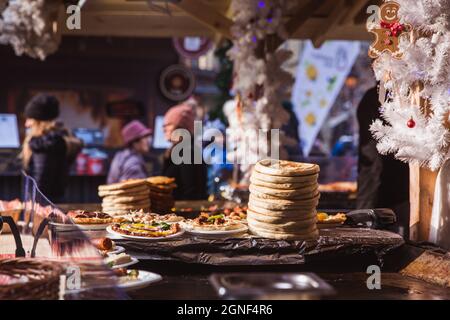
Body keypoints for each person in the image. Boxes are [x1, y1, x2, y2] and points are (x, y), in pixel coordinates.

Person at [356, 85, 410, 238]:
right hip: (389, 191)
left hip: (395, 191)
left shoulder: (408, 96)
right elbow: (371, 156)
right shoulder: (374, 99)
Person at [22, 94, 82, 202]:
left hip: (43, 207)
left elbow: (41, 185)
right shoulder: (59, 141)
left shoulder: (44, 145)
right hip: (55, 202)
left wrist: (33, 204)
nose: (27, 124)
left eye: (30, 119)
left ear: (39, 121)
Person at [162, 103, 207, 200]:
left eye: (168, 124)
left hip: (185, 212)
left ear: (181, 127)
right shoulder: (177, 151)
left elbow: (191, 193)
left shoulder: (188, 152)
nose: (164, 128)